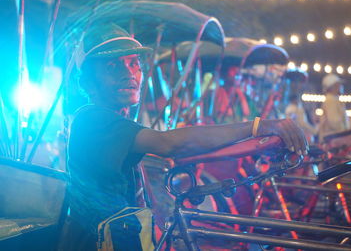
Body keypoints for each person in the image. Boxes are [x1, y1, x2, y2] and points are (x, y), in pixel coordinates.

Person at [58, 23, 308, 251]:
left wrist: (256, 144)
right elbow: (169, 144)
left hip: (123, 235)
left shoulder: (118, 120)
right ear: (89, 83)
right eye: (113, 66)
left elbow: (190, 149)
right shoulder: (93, 119)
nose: (129, 74)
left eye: (133, 63)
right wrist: (258, 126)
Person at [318, 74, 349, 141]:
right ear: (332, 86)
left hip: (335, 139)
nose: (341, 86)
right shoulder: (331, 100)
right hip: (334, 141)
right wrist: (347, 133)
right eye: (338, 84)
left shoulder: (333, 99)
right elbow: (334, 122)